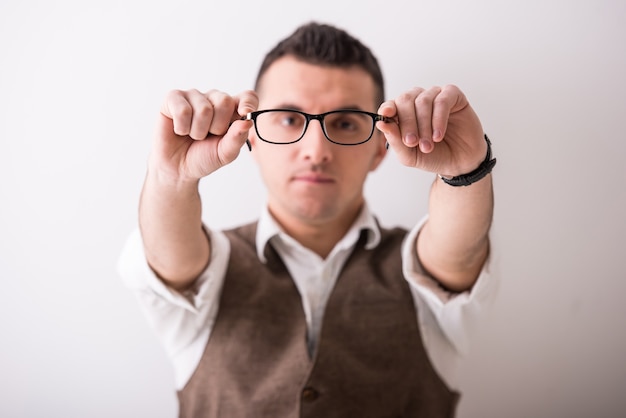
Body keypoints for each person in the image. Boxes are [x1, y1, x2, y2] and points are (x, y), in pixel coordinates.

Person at [118, 21, 496, 417]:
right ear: (252, 136)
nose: (315, 150)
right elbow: (169, 258)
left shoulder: (419, 270)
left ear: (380, 149)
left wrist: (466, 170)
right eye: (289, 119)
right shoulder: (210, 264)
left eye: (346, 123)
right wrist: (171, 177)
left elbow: (458, 255)